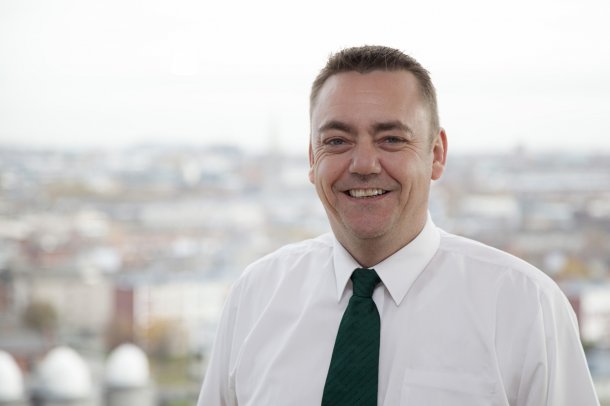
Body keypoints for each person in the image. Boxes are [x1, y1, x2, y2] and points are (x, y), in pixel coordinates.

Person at [197, 45, 599, 405]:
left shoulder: (524, 307)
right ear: (311, 158)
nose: (364, 164)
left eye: (390, 139)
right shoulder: (255, 297)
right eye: (337, 141)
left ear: (436, 153)